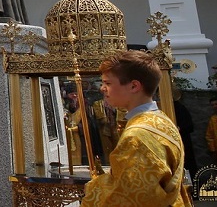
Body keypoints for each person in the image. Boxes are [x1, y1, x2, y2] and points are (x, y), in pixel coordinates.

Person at [82, 50, 192, 206]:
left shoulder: (137, 137)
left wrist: (94, 185)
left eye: (108, 83)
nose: (102, 88)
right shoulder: (160, 119)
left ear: (134, 86)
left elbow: (129, 196)